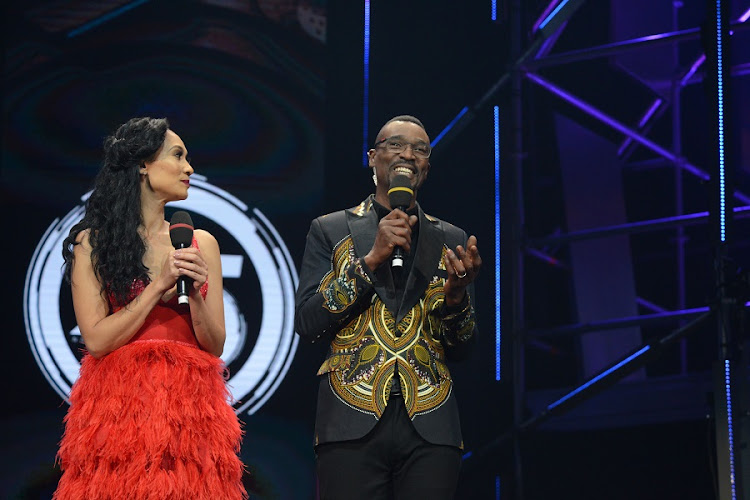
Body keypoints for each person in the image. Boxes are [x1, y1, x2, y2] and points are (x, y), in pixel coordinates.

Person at [54, 117, 247, 499]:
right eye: (177, 156)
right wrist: (157, 286)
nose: (189, 168)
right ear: (143, 164)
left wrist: (192, 292)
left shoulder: (200, 242)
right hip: (119, 406)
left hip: (191, 409)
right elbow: (96, 340)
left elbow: (214, 345)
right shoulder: (92, 243)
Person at [295, 115, 481, 499]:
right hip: (350, 418)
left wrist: (458, 297)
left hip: (431, 423)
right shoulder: (330, 229)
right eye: (395, 145)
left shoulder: (451, 238)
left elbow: (462, 348)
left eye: (420, 149)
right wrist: (370, 260)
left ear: (427, 166)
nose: (408, 154)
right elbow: (308, 322)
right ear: (372, 158)